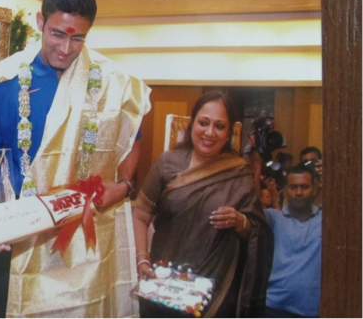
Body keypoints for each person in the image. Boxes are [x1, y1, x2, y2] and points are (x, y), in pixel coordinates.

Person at [0, 0, 151, 317]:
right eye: (57, 33)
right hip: (17, 233)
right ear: (40, 23)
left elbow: (135, 135)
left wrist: (125, 185)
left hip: (83, 238)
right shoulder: (5, 81)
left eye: (78, 37)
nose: (66, 48)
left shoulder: (113, 82)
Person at [133, 92, 274, 319]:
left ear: (229, 133)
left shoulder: (240, 173)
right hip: (164, 281)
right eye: (204, 123)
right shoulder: (167, 163)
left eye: (219, 126)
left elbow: (257, 232)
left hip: (216, 289)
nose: (210, 132)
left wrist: (241, 221)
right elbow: (141, 213)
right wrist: (141, 257)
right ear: (192, 124)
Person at [264, 163, 321, 319]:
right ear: (285, 190)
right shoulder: (275, 218)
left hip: (311, 311)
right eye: (293, 187)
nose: (299, 192)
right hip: (273, 308)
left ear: (315, 189)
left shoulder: (325, 221)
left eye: (305, 187)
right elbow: (250, 208)